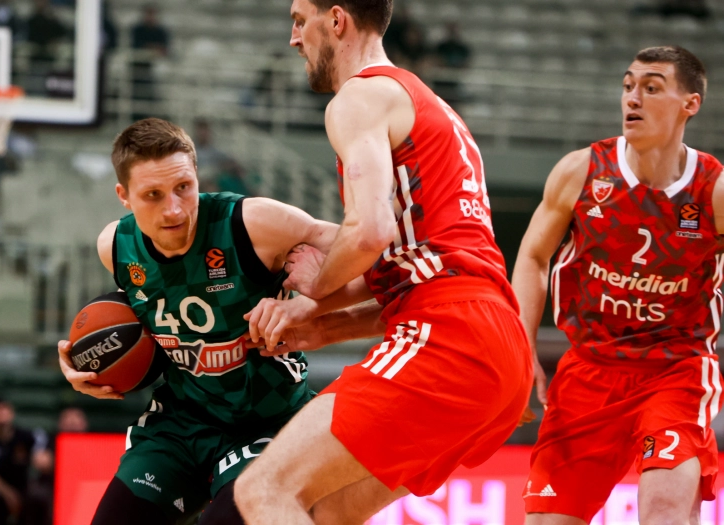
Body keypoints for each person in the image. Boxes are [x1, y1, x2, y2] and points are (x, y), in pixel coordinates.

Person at [233, 1, 534, 523]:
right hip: (498, 346)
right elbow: (425, 274)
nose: (293, 38)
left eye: (299, 20)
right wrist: (325, 326)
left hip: (451, 339)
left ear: (336, 20)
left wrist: (315, 289)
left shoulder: (360, 97)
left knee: (263, 491)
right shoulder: (433, 109)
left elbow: (370, 232)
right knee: (324, 511)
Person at [56, 118, 341, 525]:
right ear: (124, 196)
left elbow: (374, 255)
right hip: (181, 421)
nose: (173, 208)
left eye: (183, 188)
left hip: (269, 421)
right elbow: (138, 319)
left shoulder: (253, 223)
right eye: (153, 195)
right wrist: (87, 362)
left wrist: (310, 302)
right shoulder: (115, 247)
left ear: (196, 175)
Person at [512, 46, 723, 524]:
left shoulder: (714, 190)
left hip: (676, 370)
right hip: (590, 369)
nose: (633, 98)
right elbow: (533, 257)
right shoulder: (581, 171)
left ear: (690, 104)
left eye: (651, 88)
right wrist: (522, 351)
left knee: (665, 509)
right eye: (628, 86)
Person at [0, 397, 53, 525]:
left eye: (3, 409)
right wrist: (8, 494)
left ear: (11, 412)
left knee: (40, 496)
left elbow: (44, 459)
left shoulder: (27, 436)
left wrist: (41, 459)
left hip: (25, 488)